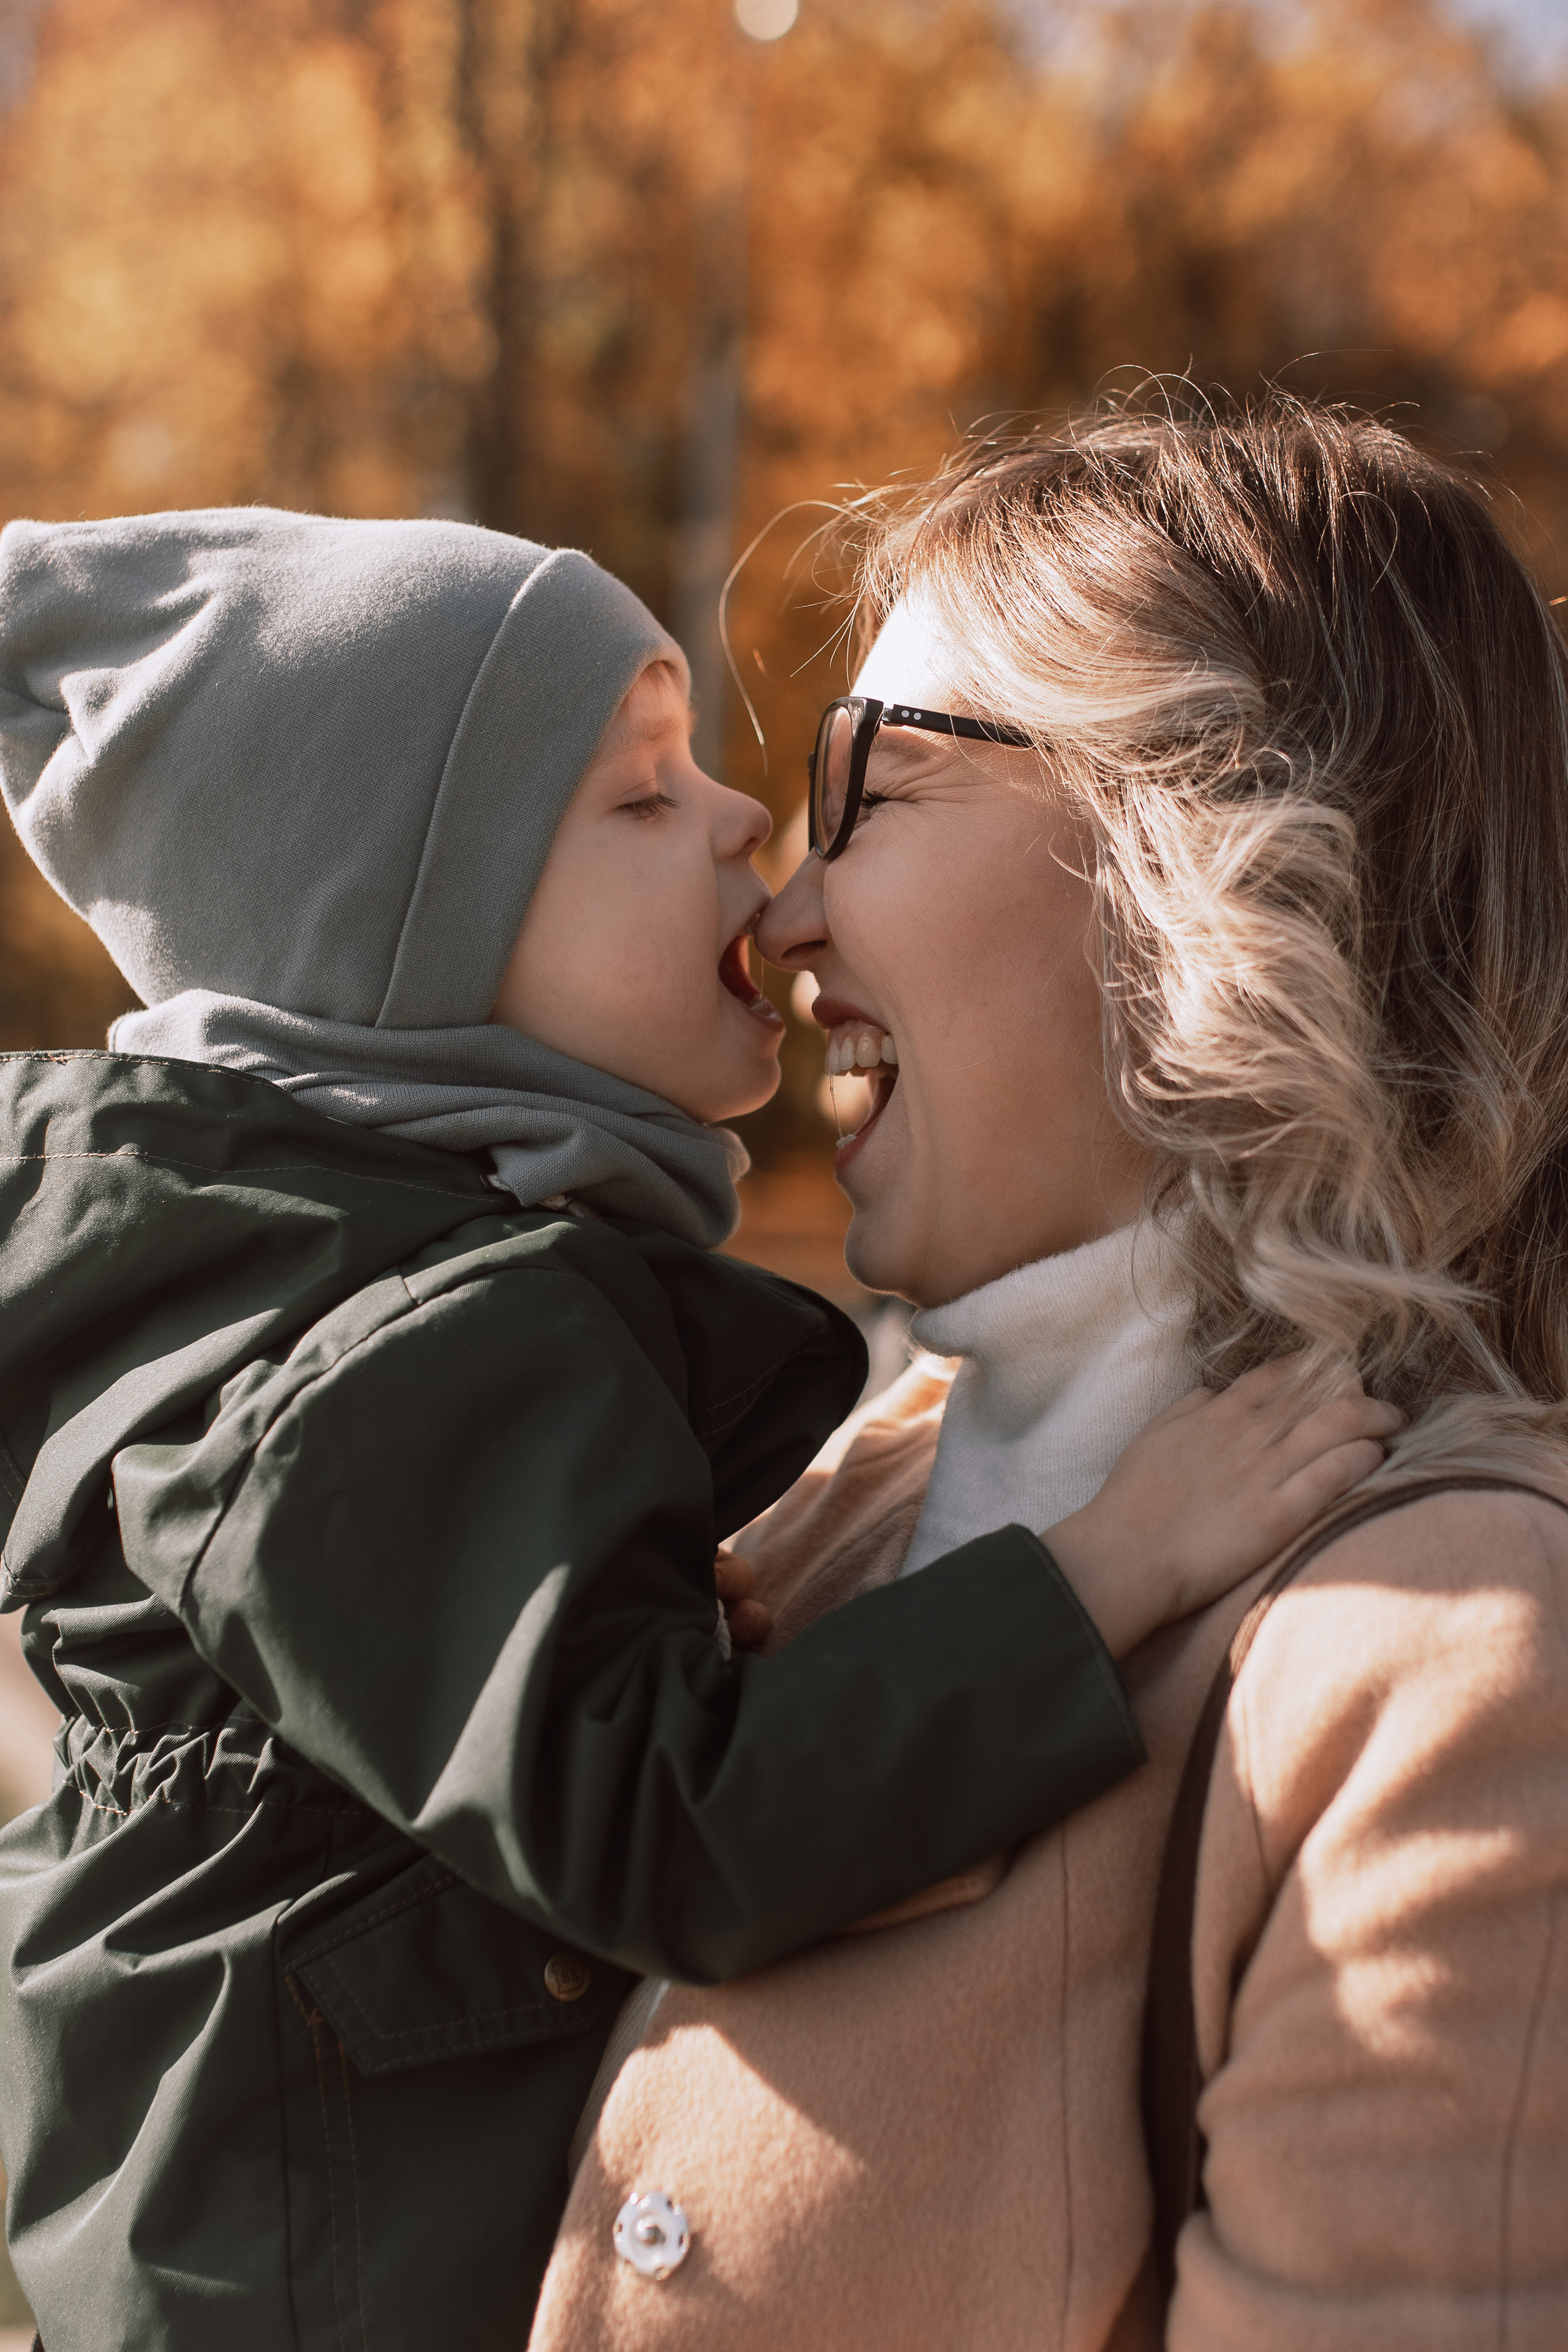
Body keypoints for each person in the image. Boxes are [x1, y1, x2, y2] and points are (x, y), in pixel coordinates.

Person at [0, 510, 1389, 2352]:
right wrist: (1111, 1563)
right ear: (406, 956)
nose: (749, 823)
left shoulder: (353, 1286)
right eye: (640, 802)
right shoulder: (397, 1352)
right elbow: (671, 1818)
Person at [533, 399, 1568, 2352]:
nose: (782, 916)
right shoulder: (834, 1517)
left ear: (1217, 843)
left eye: (873, 791)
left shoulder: (1459, 1657)